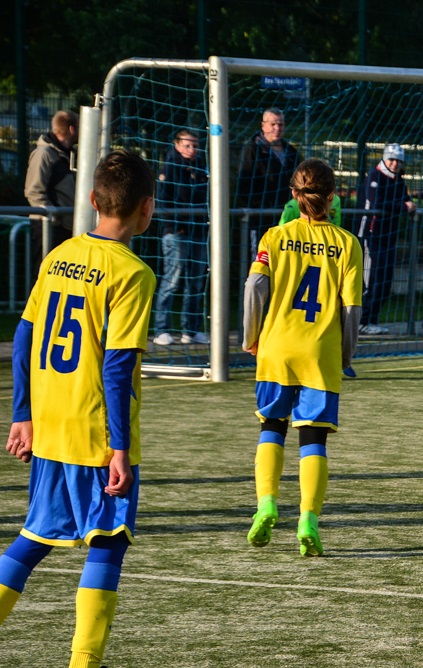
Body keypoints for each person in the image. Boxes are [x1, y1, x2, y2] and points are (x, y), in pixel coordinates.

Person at [0, 149, 157, 668]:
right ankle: (83, 662)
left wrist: (23, 414)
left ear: (92, 200)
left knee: (33, 537)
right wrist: (119, 447)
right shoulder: (132, 273)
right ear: (146, 210)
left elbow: (24, 338)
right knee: (108, 543)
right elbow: (116, 368)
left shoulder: (59, 255)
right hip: (94, 433)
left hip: (49, 423)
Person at [243, 158, 363, 557]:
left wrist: (251, 337)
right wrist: (344, 354)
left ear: (293, 196)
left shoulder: (274, 237)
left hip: (275, 347)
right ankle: (308, 519)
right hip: (320, 353)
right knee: (313, 438)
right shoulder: (348, 244)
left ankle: (266, 505)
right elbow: (350, 311)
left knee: (271, 428)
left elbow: (255, 290)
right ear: (332, 198)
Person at [152, 129, 210, 346]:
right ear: (177, 145)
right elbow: (164, 202)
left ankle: (191, 330)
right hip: (176, 233)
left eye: (195, 145)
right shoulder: (169, 168)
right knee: (172, 280)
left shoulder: (201, 168)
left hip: (198, 232)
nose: (192, 149)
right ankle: (161, 329)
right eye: (187, 145)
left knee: (196, 282)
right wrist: (177, 228)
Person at [356, 143, 417, 335]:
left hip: (388, 236)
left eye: (398, 161)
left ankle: (372, 320)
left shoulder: (398, 179)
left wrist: (407, 204)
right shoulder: (375, 176)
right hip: (371, 235)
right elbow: (378, 203)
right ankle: (361, 321)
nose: (394, 164)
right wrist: (404, 206)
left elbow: (404, 199)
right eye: (391, 159)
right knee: (371, 280)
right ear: (384, 158)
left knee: (385, 280)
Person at [24, 110, 79, 278]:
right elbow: (34, 191)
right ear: (71, 129)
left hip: (65, 226)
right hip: (49, 227)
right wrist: (53, 217)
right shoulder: (44, 154)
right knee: (43, 274)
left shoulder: (68, 154)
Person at [236, 108, 300, 245]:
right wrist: (260, 206)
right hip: (261, 218)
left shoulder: (291, 151)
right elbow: (244, 184)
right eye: (273, 124)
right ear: (263, 125)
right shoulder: (253, 149)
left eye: (281, 124)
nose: (277, 128)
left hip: (288, 217)